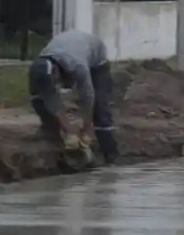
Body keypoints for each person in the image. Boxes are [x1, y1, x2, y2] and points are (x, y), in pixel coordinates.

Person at [29, 29, 119, 164]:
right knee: (38, 98)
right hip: (70, 49)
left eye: (54, 81)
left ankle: (109, 152)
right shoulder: (39, 68)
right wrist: (69, 131)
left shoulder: (77, 65)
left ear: (54, 71)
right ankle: (51, 132)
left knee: (100, 107)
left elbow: (88, 97)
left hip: (95, 56)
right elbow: (51, 101)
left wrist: (85, 130)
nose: (56, 85)